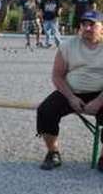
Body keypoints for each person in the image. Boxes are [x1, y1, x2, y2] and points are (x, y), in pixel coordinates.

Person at [37, 10, 103, 172]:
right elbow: (57, 76)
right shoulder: (68, 45)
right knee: (46, 111)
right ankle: (53, 152)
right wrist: (71, 97)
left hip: (101, 93)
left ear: (102, 27)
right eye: (84, 24)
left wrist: (99, 101)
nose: (87, 28)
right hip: (72, 91)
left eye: (92, 24)